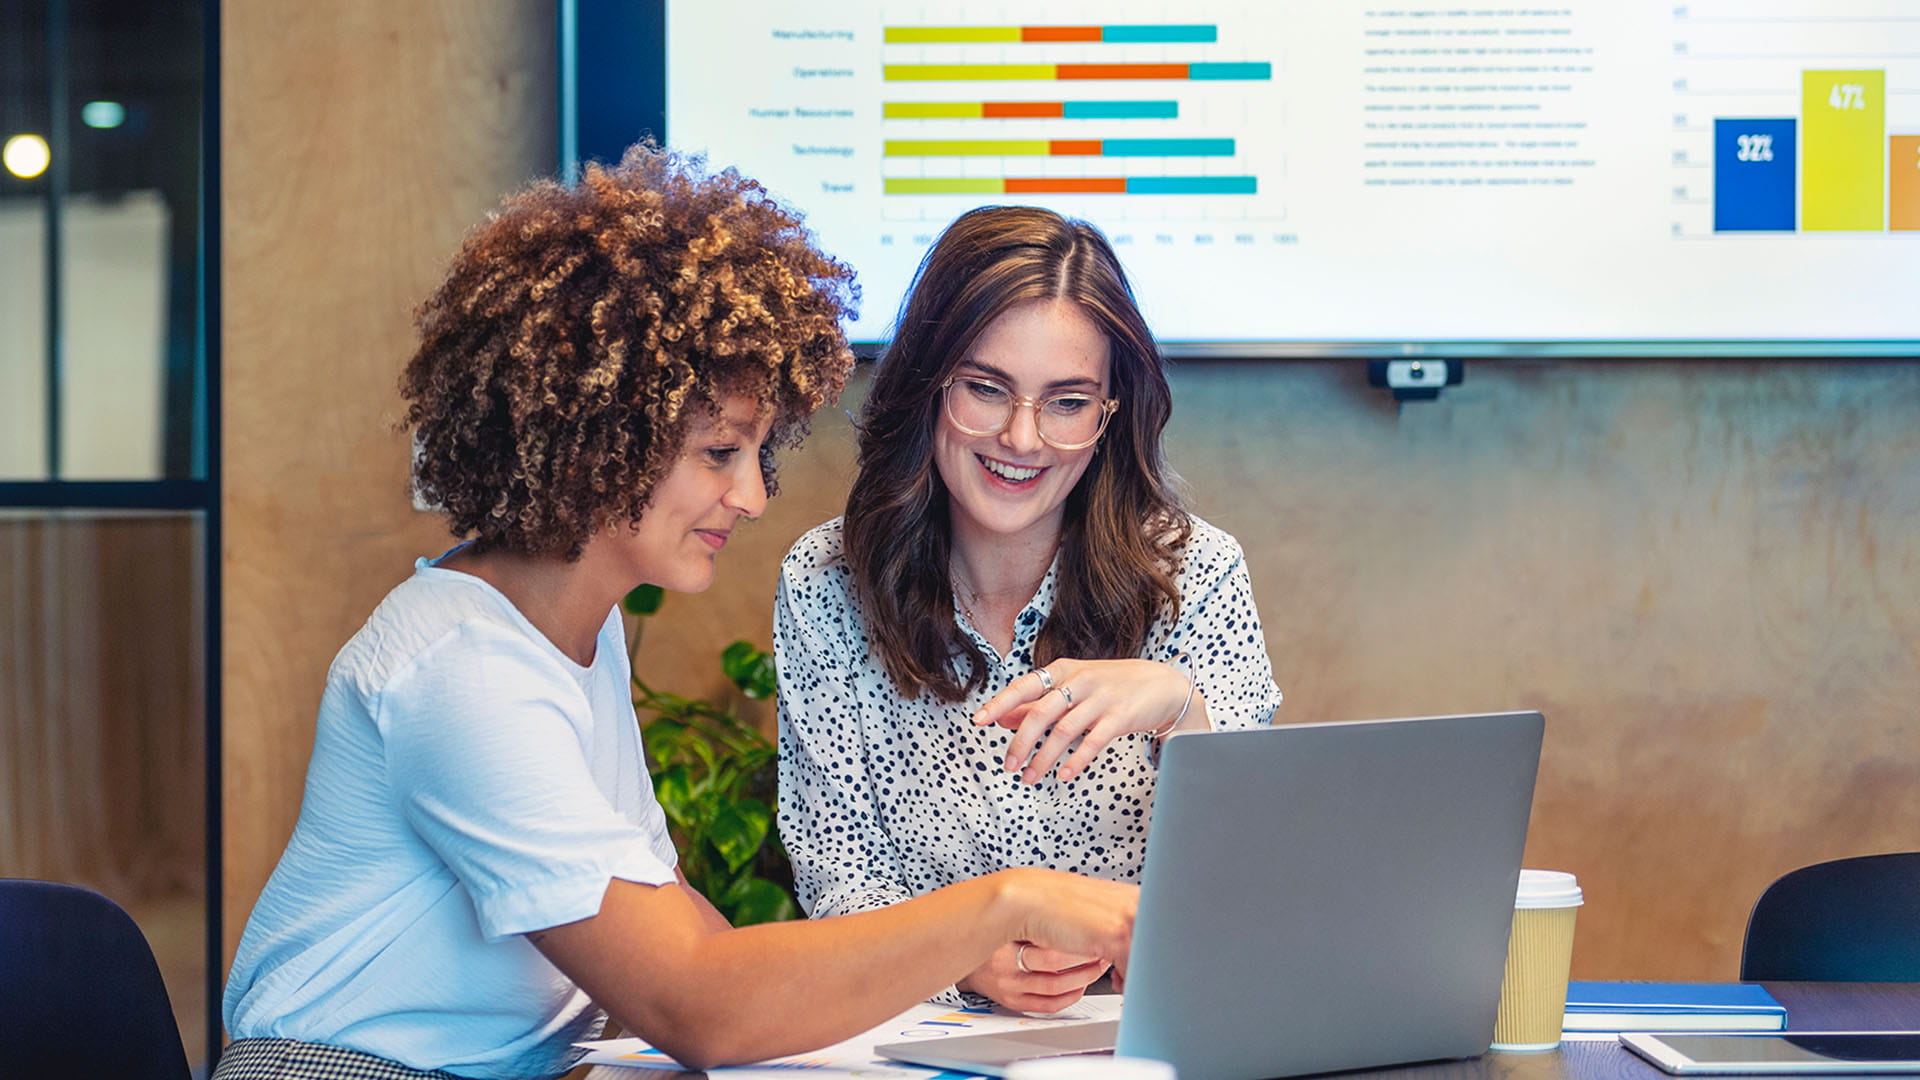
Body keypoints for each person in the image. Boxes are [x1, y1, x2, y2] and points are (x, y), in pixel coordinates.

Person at [217, 149, 1136, 1080]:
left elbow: (689, 931)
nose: (751, 495)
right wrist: (1007, 902)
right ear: (598, 435)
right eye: (718, 452)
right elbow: (694, 1001)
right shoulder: (462, 670)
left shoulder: (576, 629)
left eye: (755, 452)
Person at [775, 205, 1283, 1015]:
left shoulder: (1198, 572)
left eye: (1067, 402)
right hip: (914, 1041)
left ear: (1110, 415)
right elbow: (837, 871)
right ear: (927, 385)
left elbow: (1260, 872)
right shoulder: (826, 581)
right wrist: (963, 964)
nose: (1022, 438)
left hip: (1140, 1041)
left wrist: (1180, 707)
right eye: (986, 389)